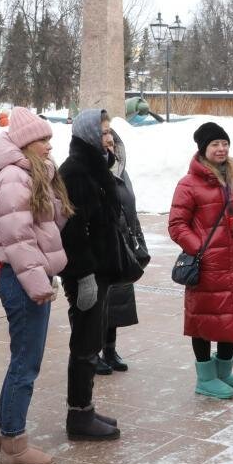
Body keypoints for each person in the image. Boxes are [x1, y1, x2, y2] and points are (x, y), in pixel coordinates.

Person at [0, 108, 72, 464]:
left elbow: (45, 225)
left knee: (25, 358)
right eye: (43, 140)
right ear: (24, 142)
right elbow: (18, 239)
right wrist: (38, 283)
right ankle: (13, 445)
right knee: (26, 362)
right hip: (23, 278)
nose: (49, 147)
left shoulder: (31, 174)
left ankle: (5, 435)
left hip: (29, 274)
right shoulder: (16, 179)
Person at [168, 122, 233, 400]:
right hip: (208, 265)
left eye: (224, 143)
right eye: (215, 144)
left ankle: (223, 371)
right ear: (203, 150)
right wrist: (199, 250)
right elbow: (177, 224)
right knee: (205, 320)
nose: (221, 149)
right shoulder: (188, 184)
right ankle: (205, 378)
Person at [58, 109, 127, 440]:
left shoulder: (96, 166)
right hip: (86, 272)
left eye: (109, 131)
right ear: (87, 135)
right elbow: (73, 230)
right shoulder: (75, 172)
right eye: (102, 132)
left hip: (99, 267)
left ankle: (86, 408)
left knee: (93, 339)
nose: (108, 137)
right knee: (84, 343)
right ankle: (78, 416)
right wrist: (84, 275)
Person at [96, 127, 150, 374]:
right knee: (96, 304)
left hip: (122, 245)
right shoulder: (89, 173)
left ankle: (109, 349)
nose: (109, 149)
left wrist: (136, 236)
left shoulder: (120, 171)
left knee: (116, 301)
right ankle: (93, 352)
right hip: (100, 247)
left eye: (111, 145)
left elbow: (130, 205)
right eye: (104, 144)